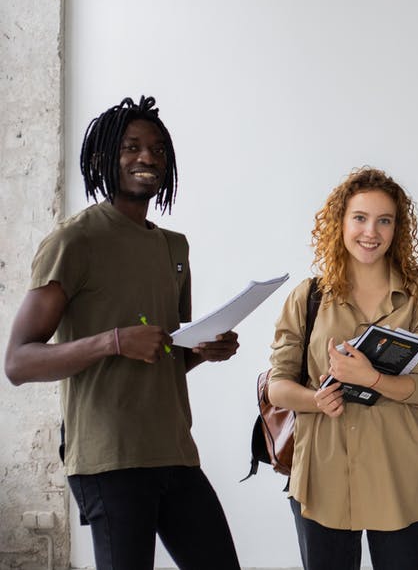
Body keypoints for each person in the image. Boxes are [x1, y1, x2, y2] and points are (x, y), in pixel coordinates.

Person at [4, 96, 241, 570]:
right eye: (131, 147)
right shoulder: (75, 240)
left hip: (174, 450)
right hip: (108, 457)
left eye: (156, 149)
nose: (147, 158)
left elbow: (166, 351)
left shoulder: (174, 246)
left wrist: (203, 349)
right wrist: (113, 341)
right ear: (102, 159)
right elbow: (18, 362)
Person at [267, 167, 418, 570]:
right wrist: (317, 400)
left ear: (397, 228)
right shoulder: (308, 297)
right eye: (360, 218)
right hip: (323, 480)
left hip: (398, 475)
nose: (372, 232)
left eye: (384, 220)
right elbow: (278, 388)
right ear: (340, 222)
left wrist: (371, 379)